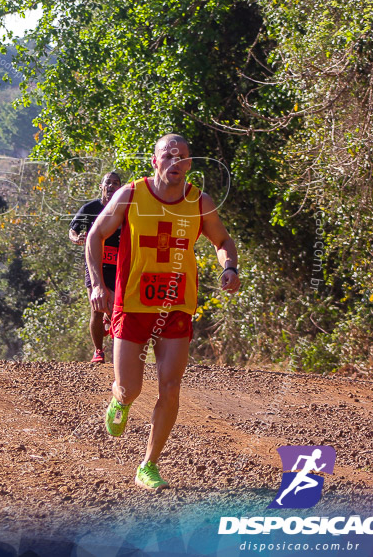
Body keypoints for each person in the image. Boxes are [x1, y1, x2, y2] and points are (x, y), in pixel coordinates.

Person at [85, 133, 240, 491]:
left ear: (189, 163)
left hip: (176, 304)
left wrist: (229, 266)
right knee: (130, 388)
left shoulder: (200, 202)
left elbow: (222, 241)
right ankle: (119, 400)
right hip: (134, 303)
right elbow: (95, 236)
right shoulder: (132, 195)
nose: (176, 162)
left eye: (183, 157)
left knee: (170, 387)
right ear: (155, 161)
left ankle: (148, 465)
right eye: (168, 156)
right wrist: (97, 284)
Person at [69, 172, 123, 363]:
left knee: (118, 308)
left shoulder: (124, 210)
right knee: (97, 308)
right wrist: (77, 239)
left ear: (120, 188)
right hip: (95, 263)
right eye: (108, 182)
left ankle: (120, 351)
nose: (111, 186)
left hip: (118, 264)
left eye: (116, 183)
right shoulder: (90, 208)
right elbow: (73, 229)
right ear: (102, 186)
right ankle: (98, 351)